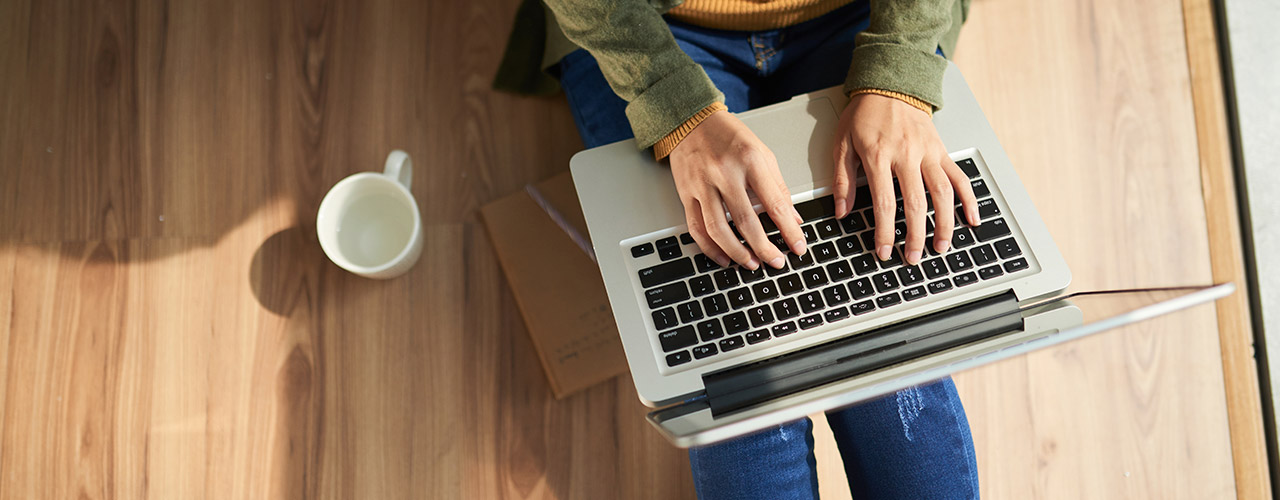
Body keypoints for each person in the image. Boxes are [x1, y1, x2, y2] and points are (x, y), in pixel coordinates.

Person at [496, 0, 981, 497]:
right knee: (729, 322)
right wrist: (675, 109)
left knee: (880, 312)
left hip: (862, 15)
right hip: (643, 25)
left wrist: (899, 69)